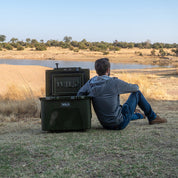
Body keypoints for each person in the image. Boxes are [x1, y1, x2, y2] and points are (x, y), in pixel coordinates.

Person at [77, 58, 167, 130]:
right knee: (137, 94)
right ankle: (152, 117)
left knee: (122, 108)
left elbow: (79, 93)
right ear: (108, 69)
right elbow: (135, 88)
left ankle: (139, 115)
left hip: (104, 124)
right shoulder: (114, 82)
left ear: (96, 70)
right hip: (119, 124)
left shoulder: (90, 83)